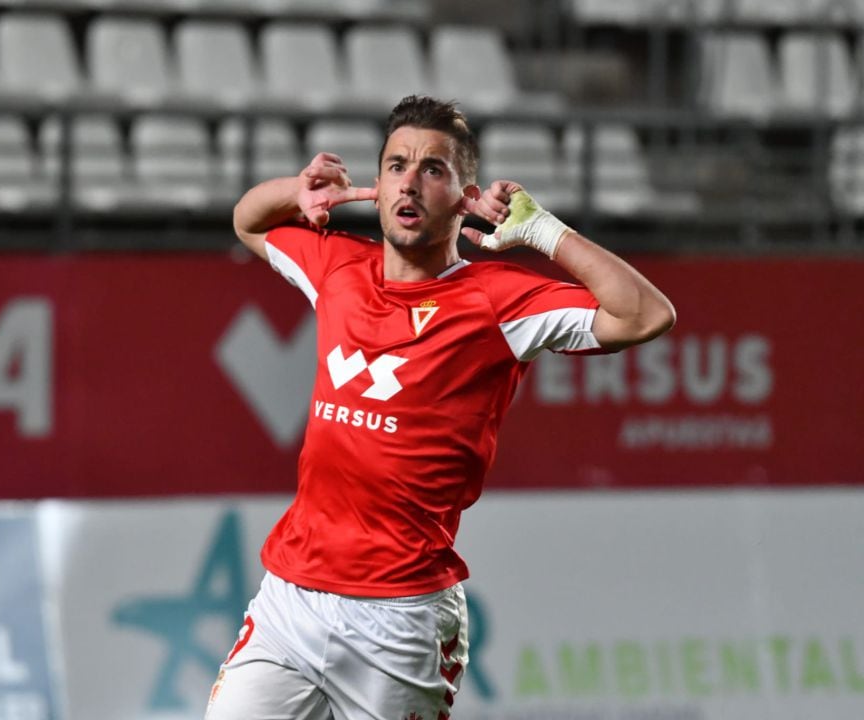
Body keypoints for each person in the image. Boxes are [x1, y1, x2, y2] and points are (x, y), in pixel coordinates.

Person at [206, 95, 675, 720]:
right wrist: (301, 190)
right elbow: (249, 221)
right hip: (291, 599)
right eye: (397, 165)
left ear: (465, 195)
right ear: (378, 186)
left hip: (401, 622)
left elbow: (646, 315)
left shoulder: (497, 301)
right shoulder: (338, 266)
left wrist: (542, 232)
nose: (410, 180)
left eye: (433, 169)